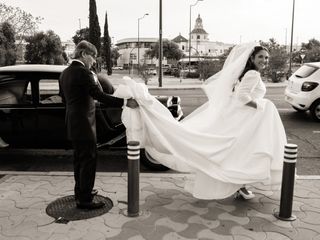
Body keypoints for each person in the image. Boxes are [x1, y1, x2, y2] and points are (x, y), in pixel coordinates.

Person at [115, 42, 286, 200]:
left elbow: (236, 94)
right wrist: (262, 106)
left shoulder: (247, 73)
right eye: (261, 57)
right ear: (252, 58)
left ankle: (240, 184)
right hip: (246, 117)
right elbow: (242, 97)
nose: (264, 60)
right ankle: (240, 183)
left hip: (242, 118)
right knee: (237, 151)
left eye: (266, 57)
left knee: (236, 151)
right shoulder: (253, 74)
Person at [59, 40, 138, 210]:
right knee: (89, 160)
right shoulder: (84, 73)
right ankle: (85, 201)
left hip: (72, 122)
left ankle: (80, 192)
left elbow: (64, 98)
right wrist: (125, 102)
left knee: (79, 160)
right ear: (84, 54)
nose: (94, 61)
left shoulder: (64, 73)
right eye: (93, 57)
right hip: (85, 124)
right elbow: (99, 96)